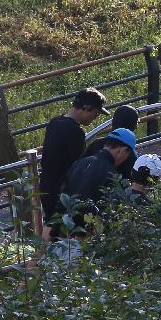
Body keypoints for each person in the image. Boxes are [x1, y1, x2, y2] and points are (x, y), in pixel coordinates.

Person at [39, 89, 107, 234]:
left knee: (49, 227)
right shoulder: (75, 132)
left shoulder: (55, 122)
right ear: (86, 108)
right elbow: (78, 166)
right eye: (95, 113)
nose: (95, 118)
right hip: (61, 192)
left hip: (45, 185)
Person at [62, 127, 138, 230]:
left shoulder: (80, 163)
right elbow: (112, 214)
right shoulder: (111, 175)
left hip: (66, 229)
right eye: (127, 155)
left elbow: (62, 196)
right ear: (122, 151)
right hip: (88, 236)